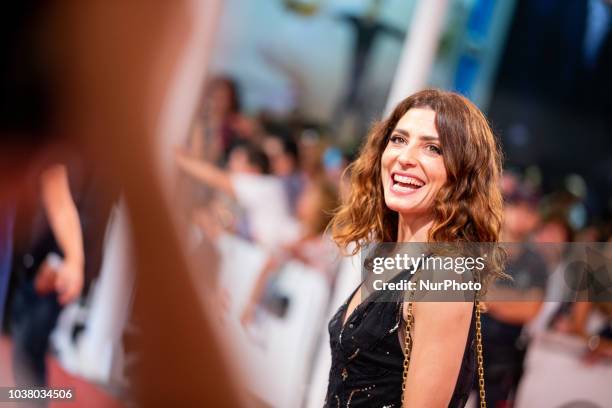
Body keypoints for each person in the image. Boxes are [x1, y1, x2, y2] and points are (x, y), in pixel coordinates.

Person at [326, 88, 505, 407]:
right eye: (398, 139)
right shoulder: (389, 255)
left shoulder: (443, 278)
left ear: (461, 176)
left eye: (433, 148)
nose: (405, 157)